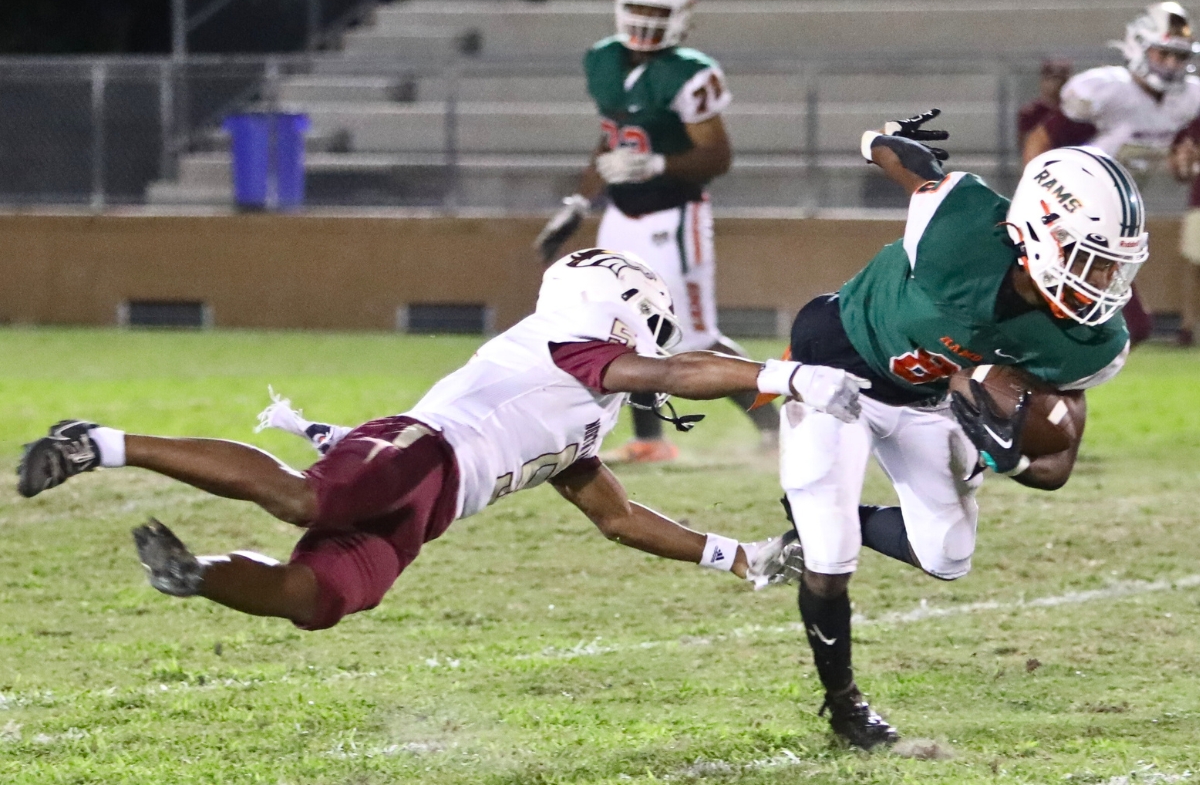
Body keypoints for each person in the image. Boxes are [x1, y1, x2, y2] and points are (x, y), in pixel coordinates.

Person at [16, 248, 870, 632]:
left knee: (318, 600)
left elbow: (617, 518)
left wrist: (737, 557)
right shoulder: (572, 346)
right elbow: (675, 372)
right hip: (421, 450)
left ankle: (192, 574)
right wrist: (785, 376)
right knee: (306, 499)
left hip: (427, 508)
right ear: (621, 308)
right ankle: (100, 443)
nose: (653, 337)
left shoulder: (588, 408)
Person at [767, 110, 1146, 749]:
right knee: (830, 559)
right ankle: (845, 708)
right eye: (1091, 260)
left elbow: (1059, 462)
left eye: (1115, 267)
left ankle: (816, 517)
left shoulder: (1090, 339)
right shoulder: (959, 225)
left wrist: (1011, 457)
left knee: (946, 554)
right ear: (1038, 232)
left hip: (929, 398)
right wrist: (880, 138)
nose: (1104, 284)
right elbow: (910, 166)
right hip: (838, 363)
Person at [533, 0, 778, 464]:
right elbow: (611, 140)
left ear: (682, 17)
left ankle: (778, 428)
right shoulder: (603, 59)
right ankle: (649, 439)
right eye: (639, 8)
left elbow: (718, 156)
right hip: (620, 213)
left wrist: (658, 164)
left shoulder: (690, 72)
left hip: (675, 215)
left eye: (657, 11)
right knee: (624, 325)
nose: (645, 19)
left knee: (695, 335)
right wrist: (579, 203)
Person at [1022, 1, 1200, 345]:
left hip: (1111, 225)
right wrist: (1034, 199)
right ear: (1139, 46)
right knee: (1115, 323)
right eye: (1163, 53)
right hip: (1068, 215)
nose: (1171, 64)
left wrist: (1184, 165)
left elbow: (1180, 166)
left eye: (1179, 56)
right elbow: (1041, 139)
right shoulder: (1109, 90)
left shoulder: (1188, 99)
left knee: (1126, 326)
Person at [1170, 115, 1200, 345]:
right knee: (1192, 266)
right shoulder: (1193, 125)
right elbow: (1181, 174)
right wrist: (1184, 161)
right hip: (1198, 204)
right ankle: (1188, 327)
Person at [1016, 59, 1072, 150]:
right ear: (1043, 81)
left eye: (1062, 79)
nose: (1057, 84)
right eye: (1052, 79)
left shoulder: (1074, 110)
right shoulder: (1031, 111)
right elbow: (1026, 144)